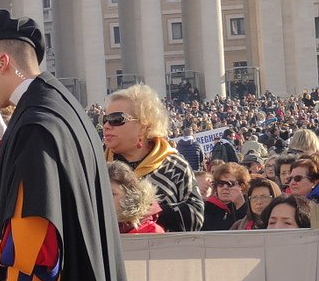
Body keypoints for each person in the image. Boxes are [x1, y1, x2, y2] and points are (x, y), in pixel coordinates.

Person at [0, 10, 127, 281]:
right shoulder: (59, 104)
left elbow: (30, 247)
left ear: (3, 62)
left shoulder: (33, 125)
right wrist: (1, 148)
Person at [103, 84, 204, 232]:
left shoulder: (175, 166)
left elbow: (196, 217)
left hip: (162, 246)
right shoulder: (95, 165)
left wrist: (153, 210)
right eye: (105, 119)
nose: (106, 125)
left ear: (143, 126)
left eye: (116, 119)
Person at [107, 161, 165, 234]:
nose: (103, 200)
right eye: (97, 194)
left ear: (129, 195)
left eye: (112, 194)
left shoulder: (151, 231)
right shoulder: (95, 228)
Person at [203, 162, 249, 231]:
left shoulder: (251, 205)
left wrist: (240, 205)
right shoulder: (207, 208)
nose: (225, 187)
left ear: (242, 187)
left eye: (230, 183)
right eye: (221, 183)